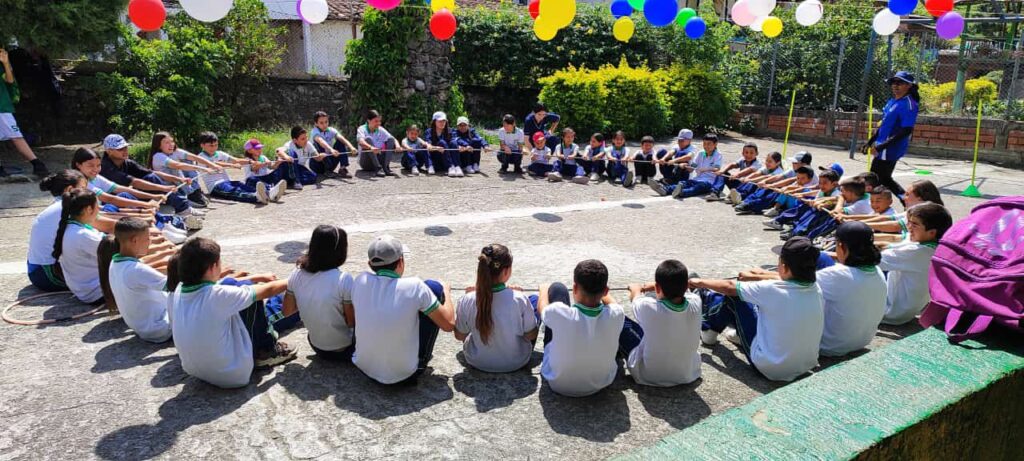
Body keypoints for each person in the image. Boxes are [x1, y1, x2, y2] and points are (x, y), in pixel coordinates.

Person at [170, 237, 296, 388]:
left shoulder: (179, 289)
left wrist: (257, 277)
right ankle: (266, 350)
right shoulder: (217, 295)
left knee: (235, 285)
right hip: (231, 374)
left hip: (193, 369)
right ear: (213, 267)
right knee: (252, 295)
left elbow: (221, 284)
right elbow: (267, 290)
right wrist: (297, 277)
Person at [694, 237, 824, 382]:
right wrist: (758, 275)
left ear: (784, 266)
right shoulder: (816, 287)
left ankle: (709, 331)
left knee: (735, 298)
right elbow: (782, 279)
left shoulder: (771, 290)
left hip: (771, 368)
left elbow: (729, 286)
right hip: (805, 364)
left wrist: (698, 282)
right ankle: (739, 334)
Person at [350, 235, 455, 385]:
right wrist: (446, 291)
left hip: (364, 367)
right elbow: (449, 324)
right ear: (400, 261)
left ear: (370, 264)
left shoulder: (360, 280)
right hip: (405, 374)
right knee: (434, 287)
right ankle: (419, 359)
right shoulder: (415, 286)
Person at [537, 259, 625, 397]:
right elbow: (613, 303)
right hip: (601, 382)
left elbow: (542, 308)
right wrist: (603, 293)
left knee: (558, 288)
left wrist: (543, 290)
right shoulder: (617, 314)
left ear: (575, 288)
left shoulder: (559, 313)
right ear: (606, 291)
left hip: (559, 383)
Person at [454, 244, 539, 373]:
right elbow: (530, 335)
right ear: (506, 271)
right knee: (534, 300)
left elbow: (460, 335)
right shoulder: (519, 298)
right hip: (516, 362)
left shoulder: (468, 299)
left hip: (477, 361)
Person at [622, 260, 702, 387]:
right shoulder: (696, 302)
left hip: (648, 375)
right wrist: (655, 288)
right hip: (687, 374)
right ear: (687, 286)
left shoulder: (646, 306)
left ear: (657, 287)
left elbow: (635, 297)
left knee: (622, 322)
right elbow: (685, 294)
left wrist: (636, 288)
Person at [284, 225, 355, 361]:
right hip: (345, 348)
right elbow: (351, 322)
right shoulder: (343, 279)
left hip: (317, 346)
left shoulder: (296, 274)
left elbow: (287, 311)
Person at [816, 222, 887, 356]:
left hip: (829, 345)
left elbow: (797, 281)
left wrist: (762, 274)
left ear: (841, 246)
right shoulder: (876, 270)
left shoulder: (835, 275)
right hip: (862, 341)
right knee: (822, 257)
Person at [100, 217, 175, 343]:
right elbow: (174, 286)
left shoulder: (115, 262)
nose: (149, 242)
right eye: (147, 238)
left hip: (141, 327)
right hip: (161, 327)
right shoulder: (136, 270)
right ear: (134, 240)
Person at [879, 203, 952, 325]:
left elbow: (868, 260)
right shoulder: (936, 248)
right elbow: (894, 245)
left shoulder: (917, 252)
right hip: (907, 311)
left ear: (932, 232)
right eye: (909, 223)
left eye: (914, 225)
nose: (909, 227)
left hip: (891, 312)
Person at [100, 134, 201, 221]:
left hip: (127, 198)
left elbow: (151, 173)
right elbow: (134, 182)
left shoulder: (126, 162)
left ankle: (182, 208)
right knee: (125, 194)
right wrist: (163, 188)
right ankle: (170, 216)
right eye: (120, 149)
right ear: (109, 151)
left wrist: (179, 179)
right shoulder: (105, 167)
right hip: (110, 203)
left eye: (125, 147)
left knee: (151, 177)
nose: (125, 151)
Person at [28, 171, 92, 292]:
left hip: (37, 269)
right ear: (70, 189)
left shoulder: (60, 204)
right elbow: (106, 224)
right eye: (83, 188)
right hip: (45, 274)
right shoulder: (68, 206)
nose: (87, 192)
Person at [863, 71, 919, 202]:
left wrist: (882, 146)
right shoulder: (892, 101)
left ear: (909, 85)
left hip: (891, 148)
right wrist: (870, 141)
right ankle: (903, 200)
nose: (895, 85)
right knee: (881, 178)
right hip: (882, 146)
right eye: (893, 82)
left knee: (876, 178)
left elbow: (906, 130)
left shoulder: (909, 104)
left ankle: (900, 200)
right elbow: (884, 125)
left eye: (900, 82)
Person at [0, 49, 48, 178]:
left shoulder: (1, 64)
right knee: (16, 136)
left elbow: (9, 80)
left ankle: (37, 164)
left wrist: (5, 63)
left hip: (2, 106)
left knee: (16, 135)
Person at [52, 188, 106, 304]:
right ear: (88, 209)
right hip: (96, 292)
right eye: (97, 206)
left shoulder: (70, 227)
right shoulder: (83, 235)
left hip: (84, 290)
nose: (100, 209)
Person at [197, 132, 278, 204]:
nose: (214, 148)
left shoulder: (220, 153)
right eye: (211, 145)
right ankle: (256, 197)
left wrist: (250, 162)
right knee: (235, 192)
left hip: (227, 181)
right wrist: (231, 165)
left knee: (243, 186)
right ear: (202, 145)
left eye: (216, 145)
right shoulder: (200, 157)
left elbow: (236, 160)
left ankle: (269, 193)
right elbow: (213, 164)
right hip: (215, 185)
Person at [149, 132, 220, 208]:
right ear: (158, 145)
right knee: (177, 167)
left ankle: (194, 191)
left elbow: (194, 157)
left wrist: (213, 165)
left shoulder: (175, 151)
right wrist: (203, 168)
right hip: (168, 188)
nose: (171, 145)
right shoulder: (158, 156)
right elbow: (177, 165)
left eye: (172, 141)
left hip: (179, 185)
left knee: (187, 160)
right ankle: (189, 195)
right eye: (167, 143)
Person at [651, 134, 723, 199]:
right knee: (684, 183)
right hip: (697, 179)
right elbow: (692, 167)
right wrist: (685, 166)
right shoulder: (701, 153)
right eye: (704, 144)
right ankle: (665, 190)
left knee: (696, 188)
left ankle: (682, 193)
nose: (706, 146)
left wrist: (704, 169)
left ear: (715, 144)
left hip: (709, 182)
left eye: (709, 144)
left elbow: (716, 169)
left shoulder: (718, 155)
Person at [311, 110, 356, 178]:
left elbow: (341, 138)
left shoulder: (331, 130)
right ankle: (327, 171)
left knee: (340, 142)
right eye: (321, 123)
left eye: (326, 122)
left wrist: (351, 147)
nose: (325, 125)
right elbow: (320, 141)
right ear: (316, 124)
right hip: (317, 164)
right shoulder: (314, 131)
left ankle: (342, 168)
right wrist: (331, 149)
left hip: (330, 162)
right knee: (317, 144)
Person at [356, 110, 399, 178]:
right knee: (368, 139)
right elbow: (360, 142)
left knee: (391, 139)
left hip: (378, 157)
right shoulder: (362, 129)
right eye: (376, 121)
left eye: (379, 121)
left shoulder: (380, 129)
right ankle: (378, 168)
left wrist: (397, 146)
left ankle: (385, 167)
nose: (378, 123)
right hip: (366, 162)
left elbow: (392, 138)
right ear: (369, 121)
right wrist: (371, 147)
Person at [425, 111, 457, 177]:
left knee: (448, 143)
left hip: (446, 158)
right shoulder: (429, 132)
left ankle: (452, 166)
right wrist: (437, 148)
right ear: (434, 121)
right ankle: (430, 166)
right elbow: (428, 145)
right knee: (440, 143)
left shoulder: (450, 131)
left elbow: (454, 142)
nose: (442, 123)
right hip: (435, 159)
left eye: (444, 121)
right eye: (440, 121)